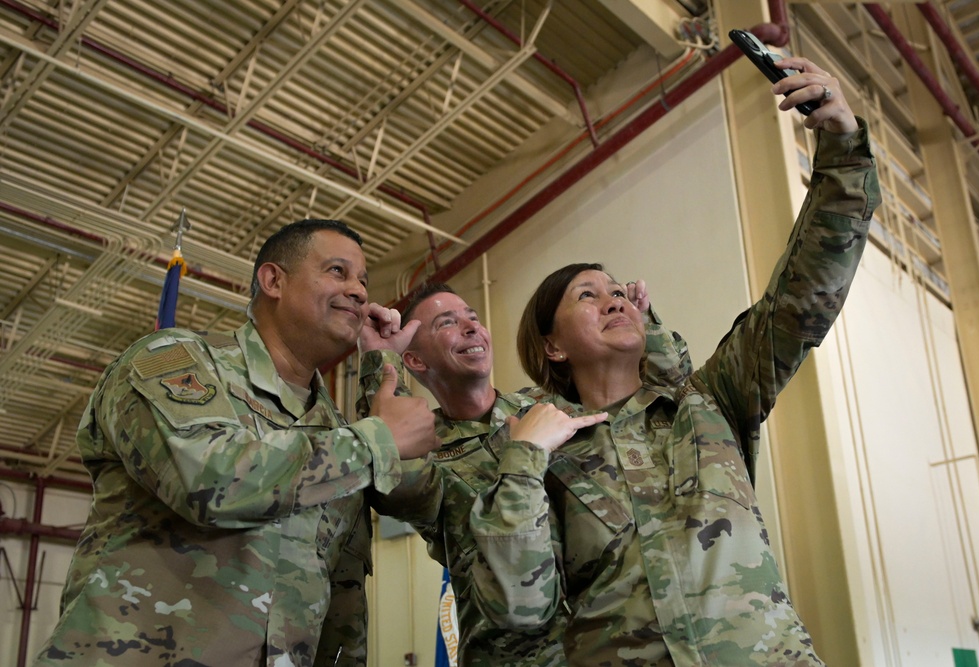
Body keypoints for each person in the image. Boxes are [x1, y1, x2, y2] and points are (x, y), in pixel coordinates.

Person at [469, 56, 882, 666]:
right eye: (586, 295)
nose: (611, 296)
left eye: (615, 289)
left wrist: (842, 148)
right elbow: (518, 613)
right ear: (552, 347)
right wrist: (525, 460)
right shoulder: (534, 449)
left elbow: (804, 294)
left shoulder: (711, 401)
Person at [35, 219, 439, 667]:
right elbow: (210, 481)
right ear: (273, 281)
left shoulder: (338, 433)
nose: (361, 292)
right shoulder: (173, 361)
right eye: (338, 271)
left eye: (363, 280)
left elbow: (407, 509)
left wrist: (381, 368)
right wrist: (376, 440)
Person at [354, 283, 607, 666]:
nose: (472, 327)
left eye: (473, 317)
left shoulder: (552, 410)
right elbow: (394, 475)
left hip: (607, 645)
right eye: (447, 323)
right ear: (417, 362)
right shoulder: (428, 451)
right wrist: (379, 362)